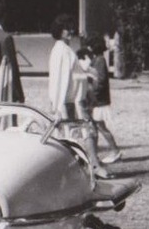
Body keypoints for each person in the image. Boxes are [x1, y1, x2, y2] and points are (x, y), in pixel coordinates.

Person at [48, 15, 111, 178]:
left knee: (81, 132)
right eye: (67, 29)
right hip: (72, 100)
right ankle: (93, 165)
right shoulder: (62, 51)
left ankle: (89, 164)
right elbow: (61, 79)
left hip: (73, 98)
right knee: (85, 131)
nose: (70, 31)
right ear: (61, 32)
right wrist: (57, 103)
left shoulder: (63, 50)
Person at [86, 33, 122, 163]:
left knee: (100, 126)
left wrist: (91, 92)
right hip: (96, 100)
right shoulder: (97, 59)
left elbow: (99, 81)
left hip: (98, 100)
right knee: (95, 127)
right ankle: (94, 154)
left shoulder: (99, 60)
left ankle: (115, 150)